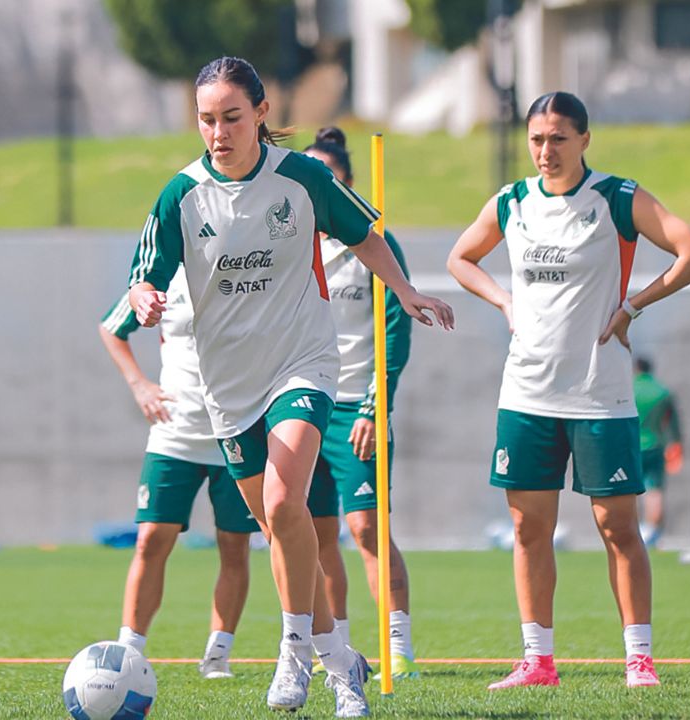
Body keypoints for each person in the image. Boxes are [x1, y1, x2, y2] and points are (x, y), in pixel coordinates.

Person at [124, 56, 453, 717]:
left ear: (262, 114)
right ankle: (341, 663)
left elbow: (366, 234)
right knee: (284, 527)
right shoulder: (180, 196)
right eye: (207, 120)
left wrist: (408, 291)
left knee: (281, 504)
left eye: (232, 117)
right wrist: (145, 297)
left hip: (302, 364)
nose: (218, 132)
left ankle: (293, 652)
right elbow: (145, 275)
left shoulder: (302, 178)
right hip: (227, 386)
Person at [446, 91, 690, 691]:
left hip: (601, 396)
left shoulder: (617, 198)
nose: (545, 151)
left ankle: (639, 660)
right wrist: (504, 300)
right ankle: (538, 661)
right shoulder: (512, 201)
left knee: (618, 528)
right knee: (527, 530)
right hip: (526, 395)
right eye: (537, 139)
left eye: (558, 138)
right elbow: (461, 259)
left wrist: (633, 306)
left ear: (584, 140)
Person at [99, 263, 259, 679]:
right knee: (151, 539)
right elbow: (112, 327)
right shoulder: (164, 277)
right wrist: (139, 385)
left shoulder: (249, 268)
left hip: (236, 432)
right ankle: (129, 650)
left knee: (234, 546)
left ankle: (218, 654)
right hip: (175, 435)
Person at [302, 127, 420, 680]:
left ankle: (398, 647)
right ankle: (338, 650)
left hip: (356, 407)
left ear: (346, 183)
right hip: (304, 404)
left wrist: (377, 406)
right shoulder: (288, 244)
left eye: (330, 179)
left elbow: (394, 331)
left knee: (366, 527)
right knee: (315, 534)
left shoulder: (373, 244)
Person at [633, 356, 683, 548]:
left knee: (629, 492)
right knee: (654, 491)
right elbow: (673, 424)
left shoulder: (630, 389)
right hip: (655, 445)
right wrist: (676, 444)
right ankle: (652, 532)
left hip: (632, 446)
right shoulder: (662, 392)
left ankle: (636, 533)